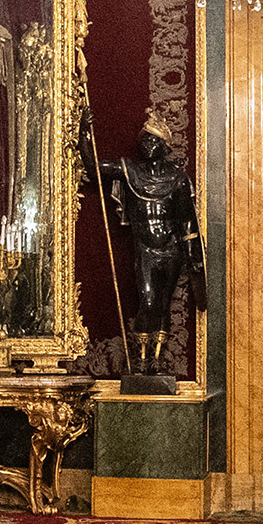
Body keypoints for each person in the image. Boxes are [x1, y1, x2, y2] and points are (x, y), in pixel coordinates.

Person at [99, 114, 201, 385]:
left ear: (164, 145)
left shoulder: (177, 178)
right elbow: (97, 168)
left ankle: (155, 359)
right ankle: (140, 359)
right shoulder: (132, 171)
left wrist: (193, 254)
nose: (146, 144)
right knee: (147, 301)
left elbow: (187, 219)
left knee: (163, 305)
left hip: (171, 250)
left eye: (153, 139)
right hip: (145, 249)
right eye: (144, 138)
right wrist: (85, 136)